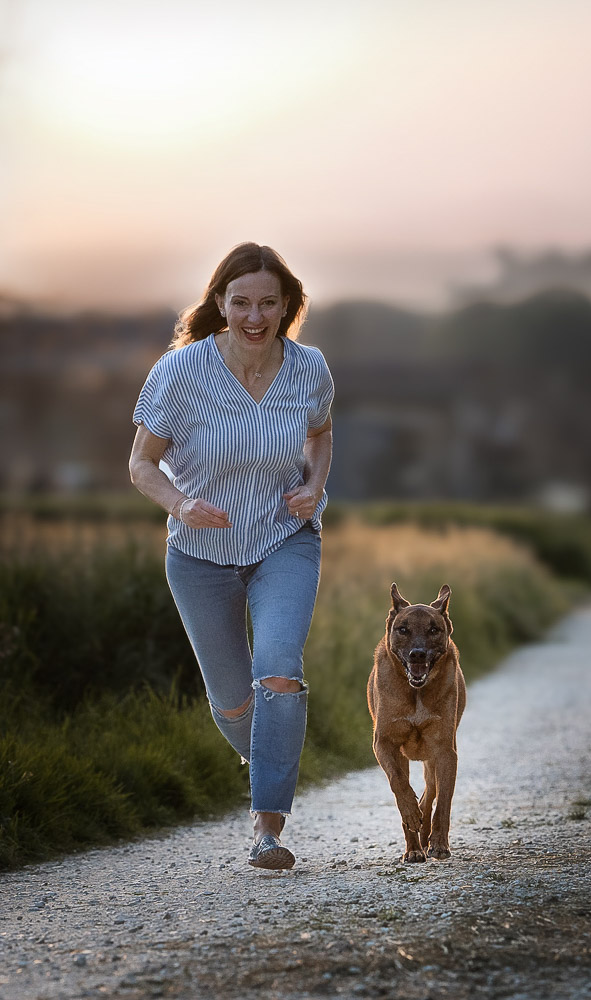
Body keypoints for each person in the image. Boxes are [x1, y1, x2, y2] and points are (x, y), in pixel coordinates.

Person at [129, 243, 334, 870]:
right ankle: (274, 745)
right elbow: (140, 464)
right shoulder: (181, 371)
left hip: (283, 540)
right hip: (199, 555)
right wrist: (181, 505)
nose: (254, 315)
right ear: (219, 302)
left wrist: (315, 486)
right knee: (235, 704)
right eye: (240, 301)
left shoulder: (309, 368)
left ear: (286, 305)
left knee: (277, 669)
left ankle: (267, 829)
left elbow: (321, 433)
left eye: (268, 302)